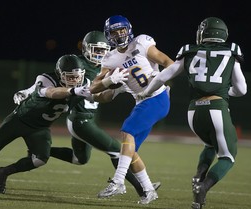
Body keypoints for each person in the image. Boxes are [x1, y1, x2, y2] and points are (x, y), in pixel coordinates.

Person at [15, 31, 161, 198]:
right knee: (116, 150)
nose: (101, 54)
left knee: (80, 159)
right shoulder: (77, 63)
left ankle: (42, 150)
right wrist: (27, 91)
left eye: (104, 50)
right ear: (86, 49)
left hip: (89, 118)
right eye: (97, 50)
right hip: (79, 119)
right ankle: (142, 189)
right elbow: (51, 78)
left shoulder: (108, 64)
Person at [137, 17, 247, 209]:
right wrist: (225, 92)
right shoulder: (231, 52)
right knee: (228, 156)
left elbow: (163, 75)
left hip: (193, 112)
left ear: (204, 33)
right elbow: (242, 89)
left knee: (210, 145)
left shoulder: (189, 52)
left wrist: (145, 93)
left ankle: (198, 176)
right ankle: (203, 186)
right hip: (216, 108)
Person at [0, 54, 92, 193]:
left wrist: (114, 85)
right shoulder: (46, 79)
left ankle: (4, 172)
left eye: (77, 76)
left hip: (40, 128)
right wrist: (72, 91)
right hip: (19, 121)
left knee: (40, 159)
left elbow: (100, 94)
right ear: (60, 74)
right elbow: (51, 92)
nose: (75, 80)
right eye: (70, 77)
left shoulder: (84, 85)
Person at [89, 15, 174, 204]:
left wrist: (159, 80)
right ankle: (149, 190)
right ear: (108, 35)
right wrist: (110, 81)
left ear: (128, 29)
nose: (119, 35)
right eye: (114, 32)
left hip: (156, 97)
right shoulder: (110, 58)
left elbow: (168, 62)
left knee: (127, 131)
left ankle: (119, 181)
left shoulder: (142, 43)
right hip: (142, 102)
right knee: (130, 149)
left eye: (122, 30)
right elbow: (94, 88)